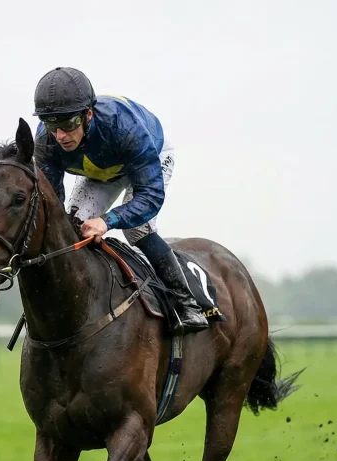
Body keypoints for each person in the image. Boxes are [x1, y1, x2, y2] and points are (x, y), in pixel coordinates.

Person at [32, 67, 209, 334]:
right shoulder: (46, 140)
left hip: (149, 156)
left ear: (88, 114)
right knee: (73, 229)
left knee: (137, 229)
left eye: (69, 125)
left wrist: (107, 220)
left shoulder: (124, 127)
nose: (60, 136)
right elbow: (54, 200)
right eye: (52, 125)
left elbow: (150, 196)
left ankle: (188, 304)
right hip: (100, 169)